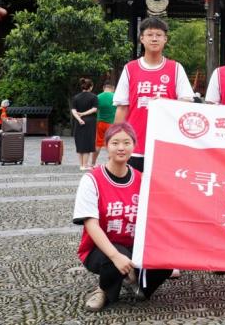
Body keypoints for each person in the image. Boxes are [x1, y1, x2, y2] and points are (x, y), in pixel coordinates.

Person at [72, 122, 172, 311]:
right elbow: (91, 224)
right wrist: (115, 255)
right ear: (106, 146)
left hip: (135, 247)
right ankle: (103, 289)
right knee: (116, 258)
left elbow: (158, 217)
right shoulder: (92, 180)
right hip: (100, 249)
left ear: (134, 146)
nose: (121, 148)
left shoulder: (141, 179)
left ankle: (136, 283)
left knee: (166, 257)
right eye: (115, 143)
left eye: (127, 143)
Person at [113, 17, 194, 172]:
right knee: (132, 185)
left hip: (166, 144)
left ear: (165, 39)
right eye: (150, 35)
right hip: (134, 145)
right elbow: (122, 108)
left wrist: (166, 103)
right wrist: (116, 141)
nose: (154, 39)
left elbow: (187, 105)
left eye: (158, 35)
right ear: (142, 39)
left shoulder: (176, 68)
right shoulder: (130, 69)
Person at [72, 78, 99, 171]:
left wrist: (79, 119)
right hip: (90, 121)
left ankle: (81, 165)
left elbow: (73, 110)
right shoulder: (94, 97)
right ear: (91, 87)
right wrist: (83, 114)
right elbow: (94, 109)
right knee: (88, 142)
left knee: (80, 142)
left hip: (78, 122)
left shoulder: (76, 97)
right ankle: (85, 165)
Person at [93, 83, 116, 167]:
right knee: (112, 143)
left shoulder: (98, 97)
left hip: (100, 122)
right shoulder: (115, 96)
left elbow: (95, 110)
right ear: (113, 88)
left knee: (98, 143)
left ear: (104, 88)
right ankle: (111, 163)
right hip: (112, 123)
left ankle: (93, 163)